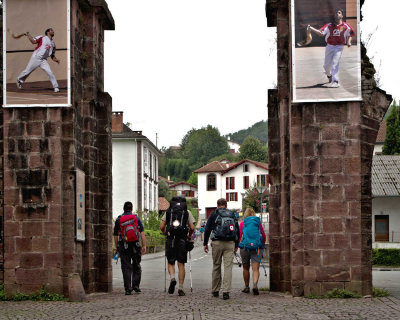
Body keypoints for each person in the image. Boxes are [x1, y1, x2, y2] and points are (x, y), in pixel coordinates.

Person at [307, 8, 354, 88]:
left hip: (339, 46)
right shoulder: (329, 25)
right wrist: (311, 29)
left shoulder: (346, 26)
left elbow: (351, 34)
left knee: (335, 63)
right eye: (336, 13)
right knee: (326, 66)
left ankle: (335, 81)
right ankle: (329, 76)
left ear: (342, 15)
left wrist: (349, 41)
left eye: (339, 13)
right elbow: (321, 34)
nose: (337, 14)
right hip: (330, 46)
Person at [203, 198, 239, 300]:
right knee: (228, 267)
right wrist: (236, 244)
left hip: (217, 242)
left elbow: (207, 229)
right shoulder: (232, 214)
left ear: (217, 205)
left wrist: (205, 243)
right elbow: (237, 229)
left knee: (216, 265)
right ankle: (226, 291)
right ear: (226, 205)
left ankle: (215, 290)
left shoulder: (214, 213)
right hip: (229, 243)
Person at [160, 196, 195, 296]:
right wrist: (189, 235)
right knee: (181, 264)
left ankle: (172, 278)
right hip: (182, 240)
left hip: (171, 239)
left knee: (171, 262)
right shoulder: (187, 212)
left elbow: (162, 226)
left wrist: (165, 233)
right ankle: (180, 288)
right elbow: (192, 227)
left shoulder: (169, 211)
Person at [113, 201, 146, 295]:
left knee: (126, 266)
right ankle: (136, 286)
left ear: (123, 209)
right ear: (131, 209)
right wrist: (144, 245)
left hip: (124, 245)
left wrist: (117, 246)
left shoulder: (119, 219)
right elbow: (142, 232)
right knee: (136, 264)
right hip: (135, 245)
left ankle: (128, 288)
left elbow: (115, 234)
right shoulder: (136, 218)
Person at [16, 28, 60, 92]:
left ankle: (56, 87)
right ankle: (19, 80)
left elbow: (52, 55)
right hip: (36, 58)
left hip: (43, 60)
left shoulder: (53, 44)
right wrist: (28, 35)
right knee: (27, 71)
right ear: (47, 32)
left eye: (53, 30)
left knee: (50, 72)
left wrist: (56, 60)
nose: (53, 31)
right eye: (51, 30)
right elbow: (33, 41)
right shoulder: (42, 37)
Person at [239, 207, 266, 295]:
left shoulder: (243, 223)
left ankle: (246, 287)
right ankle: (255, 285)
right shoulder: (258, 223)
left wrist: (238, 245)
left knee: (246, 267)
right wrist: (262, 244)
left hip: (245, 247)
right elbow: (263, 235)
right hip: (256, 247)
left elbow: (239, 235)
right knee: (255, 268)